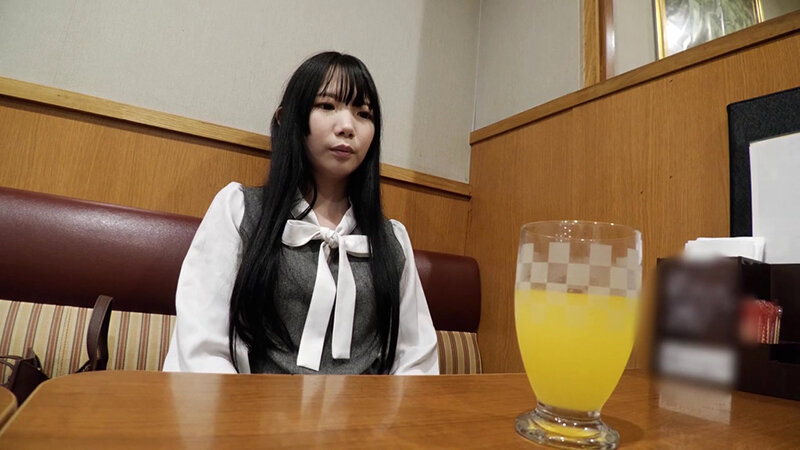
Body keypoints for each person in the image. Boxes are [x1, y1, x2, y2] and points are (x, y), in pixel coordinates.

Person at [162, 52, 439, 375]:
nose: (347, 126)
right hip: (250, 405)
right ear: (287, 119)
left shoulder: (392, 241)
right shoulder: (238, 211)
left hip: (368, 409)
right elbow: (202, 348)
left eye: (363, 113)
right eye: (327, 106)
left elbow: (416, 360)